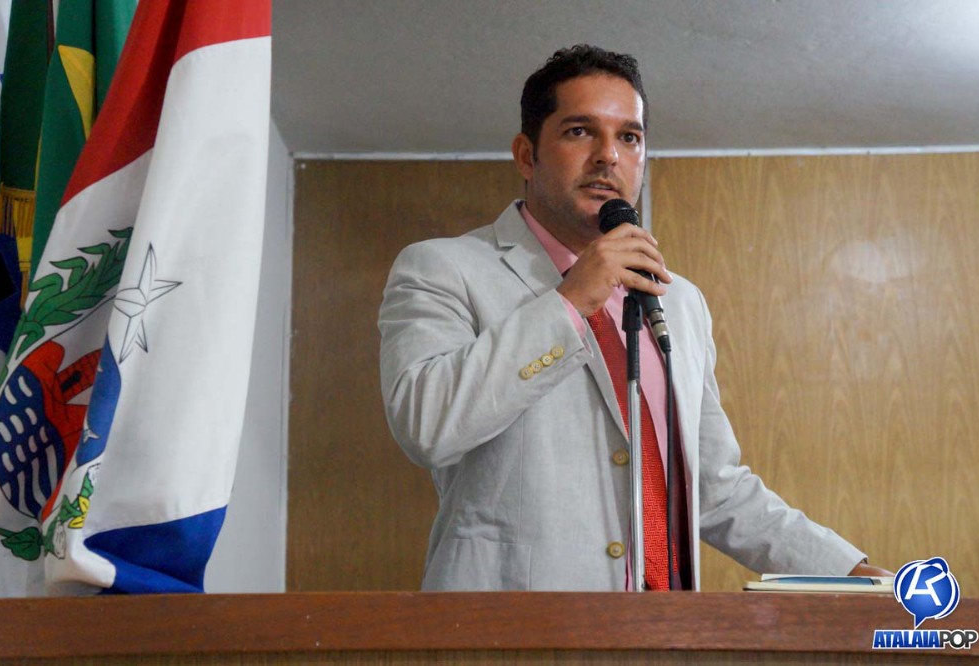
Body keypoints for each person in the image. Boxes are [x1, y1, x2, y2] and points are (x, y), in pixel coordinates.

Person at [379, 45, 889, 591]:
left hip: (663, 624)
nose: (609, 156)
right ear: (527, 156)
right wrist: (570, 301)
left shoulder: (679, 300)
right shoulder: (444, 268)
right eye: (580, 131)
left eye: (629, 137)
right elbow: (425, 424)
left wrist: (848, 571)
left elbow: (712, 488)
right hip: (513, 622)